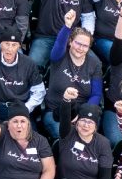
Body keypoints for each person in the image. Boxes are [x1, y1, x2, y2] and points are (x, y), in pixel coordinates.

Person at [41, 11, 103, 139]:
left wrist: (82, 116)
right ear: (70, 42)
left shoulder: (94, 63)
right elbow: (59, 44)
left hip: (81, 115)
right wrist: (67, 26)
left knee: (87, 138)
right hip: (55, 112)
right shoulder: (60, 56)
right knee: (68, 138)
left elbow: (96, 94)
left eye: (85, 46)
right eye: (78, 43)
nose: (80, 48)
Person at [0, 26, 44, 122]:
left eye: (14, 45)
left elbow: (39, 91)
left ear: (19, 46)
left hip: (21, 108)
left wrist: (27, 108)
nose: (9, 48)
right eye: (7, 44)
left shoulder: (29, 63)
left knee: (28, 135)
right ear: (0, 44)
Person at [56, 102, 112, 179]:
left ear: (96, 126)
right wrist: (66, 101)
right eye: (83, 120)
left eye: (90, 122)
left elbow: (104, 178)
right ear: (77, 122)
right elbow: (65, 117)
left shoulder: (103, 143)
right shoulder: (68, 134)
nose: (86, 125)